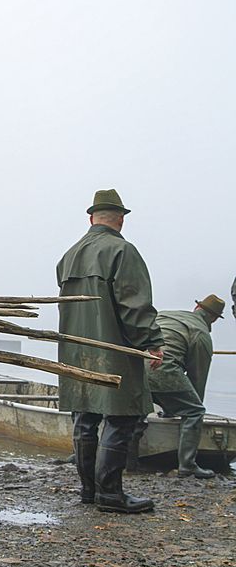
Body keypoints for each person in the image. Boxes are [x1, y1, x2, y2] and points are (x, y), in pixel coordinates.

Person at [56, 189, 164, 514]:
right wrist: (152, 342)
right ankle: (111, 495)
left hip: (77, 351)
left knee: (85, 416)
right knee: (122, 416)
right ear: (120, 220)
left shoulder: (69, 255)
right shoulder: (122, 250)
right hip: (115, 349)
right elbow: (135, 305)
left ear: (91, 218)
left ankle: (89, 493)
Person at [146, 295, 226, 479]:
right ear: (213, 319)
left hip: (137, 363)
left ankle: (129, 464)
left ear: (197, 308)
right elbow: (197, 377)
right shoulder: (201, 333)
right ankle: (187, 466)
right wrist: (193, 404)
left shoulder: (167, 315)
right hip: (162, 367)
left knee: (137, 412)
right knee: (194, 411)